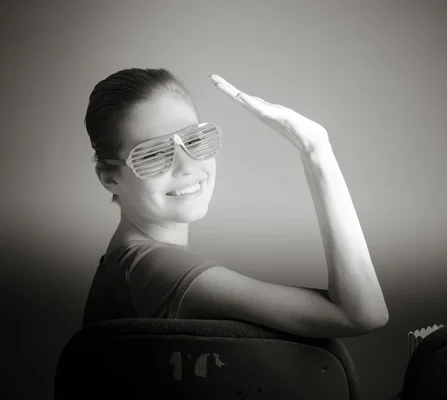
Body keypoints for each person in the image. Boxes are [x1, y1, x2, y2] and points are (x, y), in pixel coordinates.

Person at [82, 68, 389, 338]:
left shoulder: (123, 261)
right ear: (110, 178)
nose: (186, 166)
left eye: (194, 139)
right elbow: (361, 314)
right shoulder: (154, 269)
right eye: (151, 154)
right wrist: (315, 149)